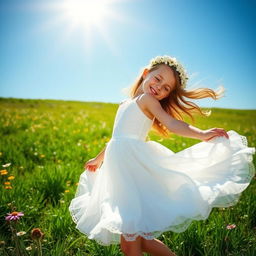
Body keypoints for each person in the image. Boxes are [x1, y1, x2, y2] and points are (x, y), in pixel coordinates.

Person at [69, 55, 255, 256]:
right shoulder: (126, 103)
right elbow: (116, 139)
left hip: (132, 174)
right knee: (142, 242)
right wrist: (98, 159)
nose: (159, 87)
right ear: (146, 74)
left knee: (130, 244)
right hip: (120, 174)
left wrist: (201, 134)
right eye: (158, 79)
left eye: (166, 88)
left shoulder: (147, 100)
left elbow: (172, 123)